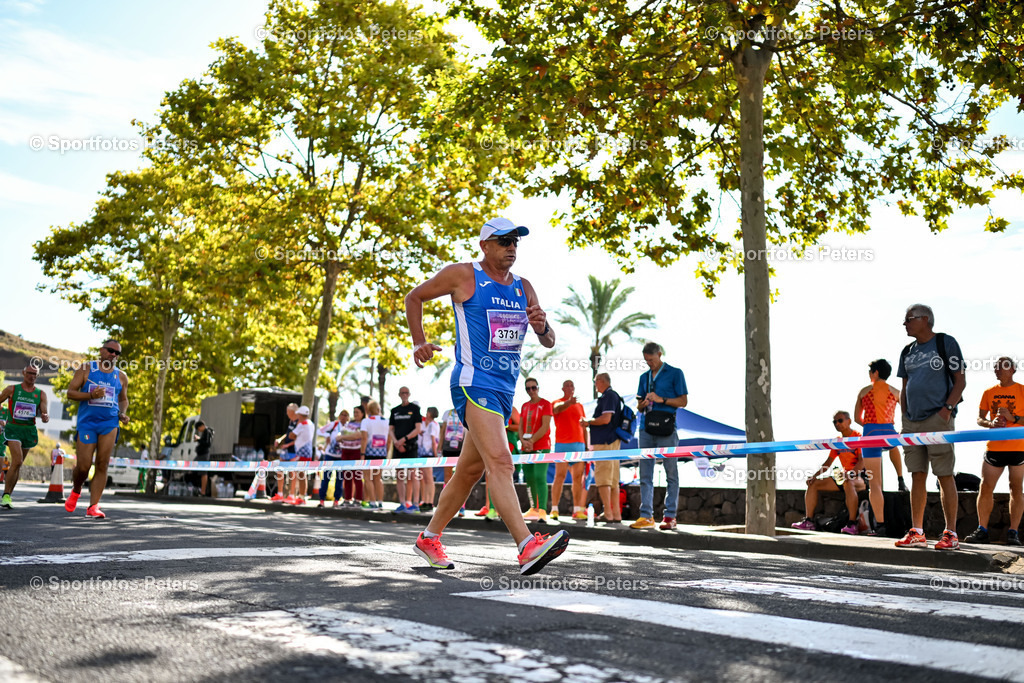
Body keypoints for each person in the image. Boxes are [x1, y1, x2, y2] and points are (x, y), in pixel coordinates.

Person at [405, 216, 569, 574]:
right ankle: (526, 545)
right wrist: (419, 341)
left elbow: (548, 338)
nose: (511, 247)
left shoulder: (524, 287)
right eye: (504, 241)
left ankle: (428, 537)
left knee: (469, 472)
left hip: (503, 389)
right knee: (502, 462)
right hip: (472, 382)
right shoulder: (464, 275)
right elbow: (414, 297)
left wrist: (542, 327)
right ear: (485, 246)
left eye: (515, 242)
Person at [894, 304, 966, 551]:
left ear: (925, 320)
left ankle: (951, 533)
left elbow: (960, 380)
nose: (905, 324)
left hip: (938, 419)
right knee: (917, 474)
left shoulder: (946, 343)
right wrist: (904, 416)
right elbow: (905, 387)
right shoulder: (906, 351)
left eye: (909, 319)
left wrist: (947, 409)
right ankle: (917, 531)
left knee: (944, 474)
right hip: (911, 422)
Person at [64, 341, 129, 518]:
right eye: (110, 351)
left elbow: (123, 399)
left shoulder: (121, 376)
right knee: (84, 467)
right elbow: (70, 393)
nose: (113, 355)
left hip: (109, 423)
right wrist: (91, 395)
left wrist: (122, 414)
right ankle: (76, 490)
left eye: (117, 353)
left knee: (102, 463)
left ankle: (93, 506)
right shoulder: (87, 369)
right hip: (88, 423)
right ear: (101, 351)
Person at [965, 357, 1024, 545]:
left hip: (1018, 448)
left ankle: (1013, 532)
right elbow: (979, 419)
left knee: (1016, 488)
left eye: (1002, 367)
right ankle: (982, 529)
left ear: (1013, 370)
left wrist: (1012, 416)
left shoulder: (1022, 390)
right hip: (995, 447)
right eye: (996, 367)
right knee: (985, 487)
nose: (997, 370)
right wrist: (991, 423)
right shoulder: (989, 392)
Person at [633, 342, 688, 530]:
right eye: (646, 361)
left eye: (652, 360)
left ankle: (670, 516)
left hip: (667, 427)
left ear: (660, 354)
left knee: (671, 472)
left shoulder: (675, 373)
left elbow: (683, 401)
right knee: (645, 473)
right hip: (646, 428)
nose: (650, 363)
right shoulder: (644, 377)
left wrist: (661, 399)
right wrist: (644, 402)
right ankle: (646, 516)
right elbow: (638, 405)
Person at [853, 358, 905, 537]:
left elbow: (856, 418)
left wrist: (869, 426)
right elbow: (906, 412)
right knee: (894, 445)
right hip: (889, 429)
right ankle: (900, 478)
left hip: (870, 432)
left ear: (875, 373)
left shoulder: (864, 391)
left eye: (870, 372)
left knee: (875, 485)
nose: (869, 375)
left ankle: (881, 525)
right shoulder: (896, 391)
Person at [791, 412, 866, 534]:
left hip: (860, 478)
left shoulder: (858, 437)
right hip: (843, 477)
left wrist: (851, 474)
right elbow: (828, 463)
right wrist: (814, 476)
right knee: (813, 483)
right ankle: (809, 521)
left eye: (840, 421)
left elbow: (862, 462)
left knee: (848, 482)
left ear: (849, 421)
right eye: (834, 422)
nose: (837, 424)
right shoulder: (837, 441)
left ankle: (852, 524)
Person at [0, 365, 50, 509]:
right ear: (23, 373)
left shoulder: (41, 394)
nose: (32, 376)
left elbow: (44, 412)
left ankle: (9, 495)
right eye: (29, 373)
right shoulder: (12, 389)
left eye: (35, 374)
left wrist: (45, 416)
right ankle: (6, 495)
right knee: (17, 460)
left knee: (18, 464)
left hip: (29, 431)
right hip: (13, 428)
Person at [583, 373, 622, 524]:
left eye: (596, 381)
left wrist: (588, 422)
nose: (595, 384)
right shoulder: (613, 396)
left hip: (605, 442)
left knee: (603, 478)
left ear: (601, 381)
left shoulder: (608, 396)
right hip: (612, 441)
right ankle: (615, 514)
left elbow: (606, 419)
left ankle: (608, 513)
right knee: (613, 480)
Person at [551, 379, 588, 521]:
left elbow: (584, 425)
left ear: (574, 388)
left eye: (571, 385)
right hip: (562, 445)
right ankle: (554, 509)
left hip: (578, 445)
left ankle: (577, 509)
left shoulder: (579, 405)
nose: (569, 387)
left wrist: (585, 446)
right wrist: (568, 403)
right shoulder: (557, 402)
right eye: (566, 385)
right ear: (562, 388)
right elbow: (556, 410)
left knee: (578, 478)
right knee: (559, 476)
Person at [519, 378, 554, 522]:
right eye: (528, 389)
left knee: (540, 477)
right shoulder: (524, 406)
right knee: (530, 478)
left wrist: (532, 441)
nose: (531, 391)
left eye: (533, 388)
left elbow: (545, 426)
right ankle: (533, 508)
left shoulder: (546, 404)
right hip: (526, 447)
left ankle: (543, 510)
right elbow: (521, 426)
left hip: (541, 446)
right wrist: (523, 441)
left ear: (538, 388)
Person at [389, 387, 423, 513]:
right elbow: (391, 430)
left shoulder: (415, 409)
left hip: (411, 446)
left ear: (409, 394)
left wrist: (404, 439)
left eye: (406, 393)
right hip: (398, 447)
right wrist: (396, 443)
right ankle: (402, 503)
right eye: (402, 393)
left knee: (413, 475)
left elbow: (418, 429)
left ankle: (415, 504)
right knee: (399, 476)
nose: (404, 395)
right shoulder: (394, 411)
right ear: (399, 394)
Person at [360, 400, 390, 509]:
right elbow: (389, 439)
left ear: (368, 409)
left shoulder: (366, 421)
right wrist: (386, 452)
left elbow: (364, 438)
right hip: (382, 453)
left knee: (367, 478)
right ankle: (380, 502)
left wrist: (362, 454)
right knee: (378, 478)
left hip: (368, 453)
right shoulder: (386, 421)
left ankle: (372, 502)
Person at [317, 409, 348, 508]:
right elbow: (319, 430)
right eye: (342, 414)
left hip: (341, 456)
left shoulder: (349, 427)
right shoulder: (334, 424)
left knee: (339, 479)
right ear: (339, 416)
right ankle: (322, 500)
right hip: (330, 455)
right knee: (326, 477)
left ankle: (336, 500)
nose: (343, 417)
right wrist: (327, 435)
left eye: (345, 415)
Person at [439, 406, 467, 516]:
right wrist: (439, 447)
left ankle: (461, 507)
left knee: (461, 477)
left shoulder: (466, 412)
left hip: (461, 448)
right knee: (447, 477)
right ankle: (445, 505)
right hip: (447, 448)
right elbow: (443, 431)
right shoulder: (448, 413)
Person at [271, 403, 299, 502]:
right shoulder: (291, 421)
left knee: (292, 471)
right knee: (280, 469)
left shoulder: (299, 422)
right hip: (285, 450)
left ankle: (292, 495)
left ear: (293, 412)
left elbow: (299, 438)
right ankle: (280, 493)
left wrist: (288, 445)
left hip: (294, 450)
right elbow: (287, 433)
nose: (286, 414)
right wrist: (280, 439)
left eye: (288, 412)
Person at [418, 407, 440, 511]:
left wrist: (435, 455)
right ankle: (426, 500)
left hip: (429, 453)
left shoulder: (433, 425)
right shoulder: (428, 424)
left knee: (429, 478)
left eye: (428, 412)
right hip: (424, 453)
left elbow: (433, 440)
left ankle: (430, 501)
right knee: (426, 478)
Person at [194, 420, 213, 496]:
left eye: (199, 429)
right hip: (201, 454)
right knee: (197, 471)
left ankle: (203, 491)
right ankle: (201, 489)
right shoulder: (205, 432)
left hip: (204, 455)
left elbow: (207, 443)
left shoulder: (207, 432)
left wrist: (198, 439)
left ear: (201, 426)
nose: (199, 431)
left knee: (203, 473)